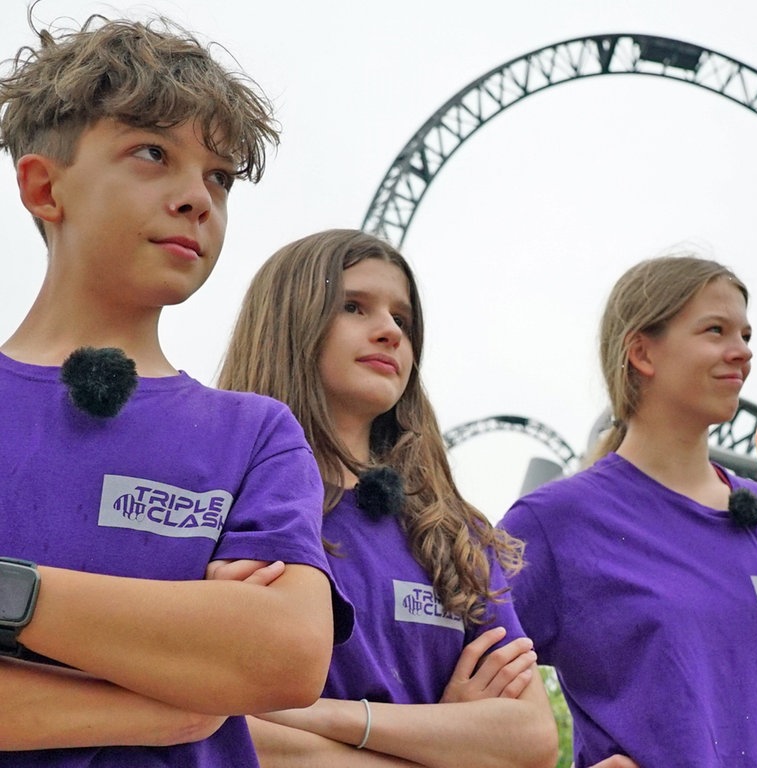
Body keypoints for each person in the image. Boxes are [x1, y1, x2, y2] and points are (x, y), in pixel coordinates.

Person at [0, 9, 351, 767]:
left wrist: (10, 600)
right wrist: (167, 696)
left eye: (219, 177)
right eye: (152, 152)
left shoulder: (257, 434)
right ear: (42, 188)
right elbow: (228, 668)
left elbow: (287, 656)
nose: (198, 196)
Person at [216, 228, 559, 768]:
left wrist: (324, 716)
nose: (389, 332)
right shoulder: (219, 506)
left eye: (402, 319)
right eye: (354, 307)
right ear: (288, 323)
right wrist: (442, 741)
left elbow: (531, 738)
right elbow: (215, 730)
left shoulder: (454, 534)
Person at [499, 254, 757, 768]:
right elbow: (442, 689)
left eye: (747, 337)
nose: (742, 354)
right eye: (716, 331)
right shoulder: (556, 522)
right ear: (642, 352)